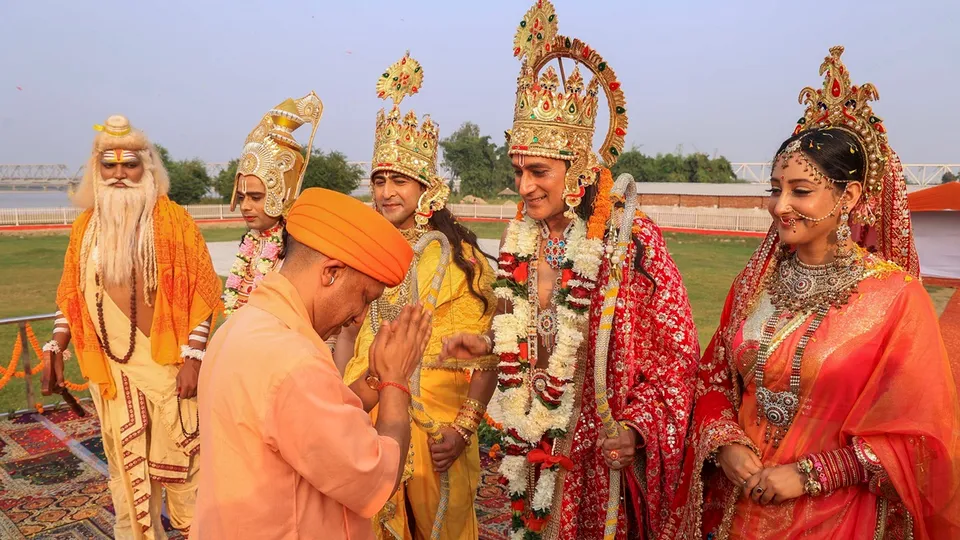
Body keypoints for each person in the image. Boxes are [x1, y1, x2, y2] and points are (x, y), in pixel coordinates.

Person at [663, 46, 960, 539]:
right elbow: (712, 379)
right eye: (774, 188)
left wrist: (809, 475)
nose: (780, 206)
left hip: (838, 517)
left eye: (800, 190)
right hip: (742, 507)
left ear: (849, 197)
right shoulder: (755, 283)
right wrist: (726, 444)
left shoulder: (894, 298)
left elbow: (919, 437)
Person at [440, 3, 700, 538]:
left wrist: (634, 428)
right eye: (517, 171)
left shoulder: (629, 240)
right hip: (533, 448)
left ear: (579, 168)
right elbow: (530, 334)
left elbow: (677, 353)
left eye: (538, 171)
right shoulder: (524, 237)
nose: (524, 187)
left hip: (600, 465)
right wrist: (486, 344)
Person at [194, 188, 433, 540]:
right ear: (331, 273)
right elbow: (373, 476)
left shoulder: (245, 325)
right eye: (365, 298)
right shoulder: (293, 359)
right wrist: (397, 382)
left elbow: (314, 418)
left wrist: (375, 377)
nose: (358, 319)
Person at [335, 51, 498, 540]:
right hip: (368, 412)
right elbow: (347, 336)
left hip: (435, 430)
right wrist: (340, 401)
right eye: (380, 180)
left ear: (427, 189)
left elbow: (486, 358)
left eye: (399, 181)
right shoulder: (363, 253)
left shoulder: (460, 259)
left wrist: (464, 428)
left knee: (439, 527)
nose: (386, 192)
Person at [42, 115, 222, 538]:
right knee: (126, 472)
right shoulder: (86, 227)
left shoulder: (174, 221)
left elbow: (204, 295)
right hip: (113, 371)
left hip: (169, 370)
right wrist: (56, 345)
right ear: (96, 169)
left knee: (188, 467)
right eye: (110, 165)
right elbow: (71, 295)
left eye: (130, 164)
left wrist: (195, 357)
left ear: (148, 168)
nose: (120, 174)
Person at [223, 93, 322, 317]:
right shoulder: (251, 242)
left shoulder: (299, 251)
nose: (245, 206)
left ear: (283, 195)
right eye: (241, 197)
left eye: (256, 197)